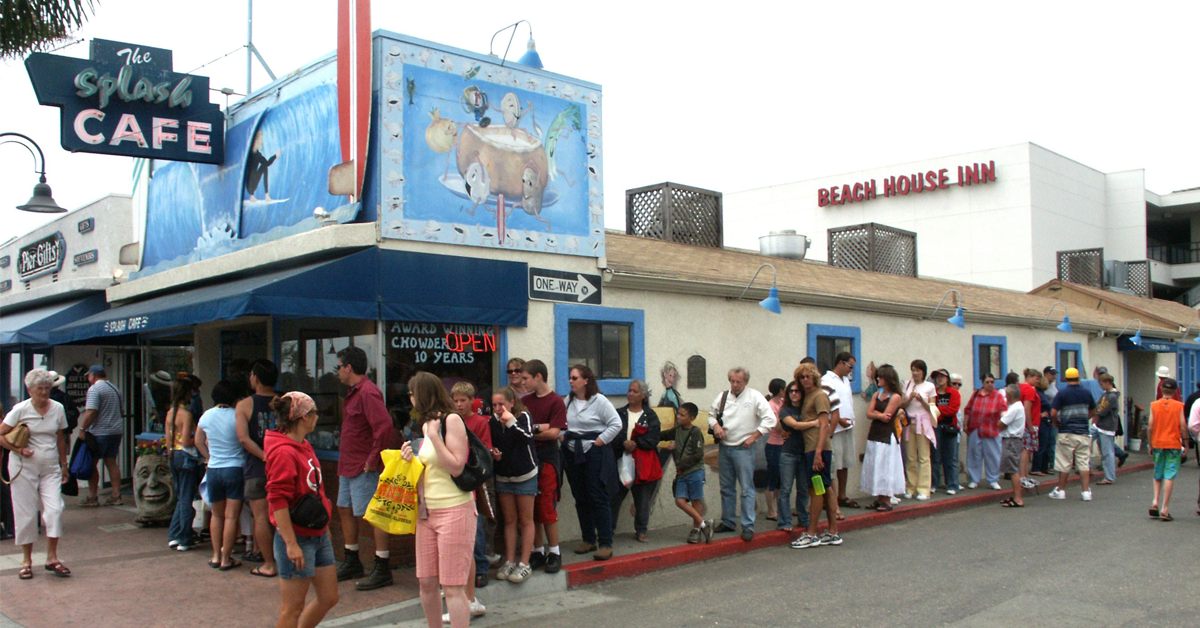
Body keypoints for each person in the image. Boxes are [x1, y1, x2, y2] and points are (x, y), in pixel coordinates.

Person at [400, 372, 475, 628]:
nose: (409, 398)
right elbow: (428, 469)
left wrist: (433, 437)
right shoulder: (424, 424)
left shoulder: (451, 421)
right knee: (426, 582)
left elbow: (456, 466)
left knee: (453, 586)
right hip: (427, 511)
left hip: (454, 509)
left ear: (423, 394)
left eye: (412, 393)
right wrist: (410, 459)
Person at [265, 392, 338, 628]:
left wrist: (323, 526)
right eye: (314, 412)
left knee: (329, 597)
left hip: (316, 532)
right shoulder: (284, 452)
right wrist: (290, 543)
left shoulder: (303, 445)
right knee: (293, 607)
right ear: (304, 417)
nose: (318, 417)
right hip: (297, 536)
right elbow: (277, 500)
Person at [333, 346, 395, 591]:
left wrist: (372, 459)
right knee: (345, 509)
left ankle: (382, 565)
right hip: (347, 464)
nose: (337, 371)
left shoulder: (368, 392)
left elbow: (384, 426)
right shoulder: (352, 393)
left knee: (373, 515)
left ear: (349, 367)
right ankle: (352, 559)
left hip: (363, 466)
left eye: (339, 366)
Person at [1, 369, 70, 580]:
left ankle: (52, 557)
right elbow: (1, 435)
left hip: (50, 466)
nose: (44, 392)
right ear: (29, 390)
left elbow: (60, 436)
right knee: (26, 513)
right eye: (39, 388)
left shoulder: (57, 408)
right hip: (23, 466)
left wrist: (64, 464)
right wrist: (19, 450)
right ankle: (26, 560)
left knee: (55, 509)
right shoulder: (20, 409)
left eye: (47, 388)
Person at [709, 367, 776, 542]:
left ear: (745, 382)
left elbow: (770, 419)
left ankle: (747, 525)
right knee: (726, 487)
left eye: (738, 381)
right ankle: (728, 521)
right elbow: (711, 416)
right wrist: (715, 426)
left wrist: (754, 437)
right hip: (725, 447)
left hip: (744, 449)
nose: (735, 384)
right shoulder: (723, 396)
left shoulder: (754, 397)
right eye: (732, 381)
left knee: (746, 489)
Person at [563, 365, 623, 560]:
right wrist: (563, 438)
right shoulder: (568, 401)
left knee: (597, 495)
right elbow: (561, 423)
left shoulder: (599, 401)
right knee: (580, 497)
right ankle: (588, 539)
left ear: (586, 380)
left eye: (575, 378)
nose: (571, 381)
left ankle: (606, 543)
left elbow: (616, 424)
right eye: (570, 378)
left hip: (594, 452)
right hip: (573, 452)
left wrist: (599, 441)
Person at [519, 359, 567, 574]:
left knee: (547, 506)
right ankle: (538, 551)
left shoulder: (556, 401)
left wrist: (533, 429)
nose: (523, 383)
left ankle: (554, 552)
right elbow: (520, 426)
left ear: (538, 376)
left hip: (547, 460)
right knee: (532, 507)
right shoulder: (525, 401)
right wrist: (540, 429)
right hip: (528, 460)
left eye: (526, 378)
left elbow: (555, 433)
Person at [788, 363, 841, 548]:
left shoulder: (819, 396)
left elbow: (824, 424)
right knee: (825, 488)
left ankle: (812, 532)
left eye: (808, 376)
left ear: (814, 377)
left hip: (818, 449)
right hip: (811, 448)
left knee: (817, 488)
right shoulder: (808, 396)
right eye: (801, 377)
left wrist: (818, 453)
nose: (805, 380)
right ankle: (833, 531)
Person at [196, 379, 246, 570]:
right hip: (235, 468)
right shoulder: (237, 416)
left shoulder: (206, 416)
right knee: (232, 517)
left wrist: (209, 458)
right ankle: (227, 558)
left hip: (214, 470)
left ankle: (216, 556)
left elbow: (198, 441)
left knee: (217, 516)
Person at [490, 386, 538, 584]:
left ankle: (524, 563)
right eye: (494, 405)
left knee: (525, 520)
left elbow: (527, 438)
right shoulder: (492, 421)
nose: (498, 408)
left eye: (501, 404)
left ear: (511, 402)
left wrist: (510, 421)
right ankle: (509, 560)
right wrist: (493, 451)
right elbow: (489, 441)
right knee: (509, 520)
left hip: (525, 474)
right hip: (504, 475)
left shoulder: (523, 417)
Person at [451, 382, 494, 599]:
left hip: (475, 480)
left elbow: (484, 450)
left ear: (471, 401)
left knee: (477, 528)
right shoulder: (449, 421)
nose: (459, 405)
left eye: (463, 400)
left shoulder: (478, 423)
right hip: (455, 481)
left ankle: (482, 567)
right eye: (455, 400)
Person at [236, 359, 279, 577]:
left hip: (256, 469)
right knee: (283, 515)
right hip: (283, 466)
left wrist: (264, 457)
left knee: (260, 517)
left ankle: (269, 564)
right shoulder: (285, 401)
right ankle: (287, 558)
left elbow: (243, 439)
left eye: (251, 374)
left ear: (257, 378)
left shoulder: (244, 405)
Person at [612, 379, 662, 542]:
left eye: (635, 391)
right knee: (614, 497)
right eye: (629, 390)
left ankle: (641, 530)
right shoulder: (619, 413)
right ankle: (609, 529)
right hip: (622, 461)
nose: (631, 394)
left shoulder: (650, 416)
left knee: (642, 499)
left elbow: (654, 438)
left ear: (643, 395)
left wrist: (636, 443)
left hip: (643, 464)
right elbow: (613, 432)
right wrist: (623, 443)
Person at [660, 402, 711, 543]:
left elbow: (698, 455)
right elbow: (662, 435)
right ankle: (703, 523)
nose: (678, 417)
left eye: (683, 415)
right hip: (682, 473)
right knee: (680, 501)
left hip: (694, 471)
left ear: (692, 418)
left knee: (695, 499)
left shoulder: (695, 433)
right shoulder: (677, 431)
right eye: (678, 413)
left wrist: (683, 465)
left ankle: (696, 530)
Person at [860, 364, 905, 512]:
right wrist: (879, 415)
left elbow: (888, 417)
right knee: (875, 465)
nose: (878, 379)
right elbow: (869, 413)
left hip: (887, 435)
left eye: (881, 377)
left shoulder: (896, 397)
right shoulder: (877, 394)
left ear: (888, 379)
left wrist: (877, 415)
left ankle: (887, 499)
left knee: (886, 466)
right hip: (875, 434)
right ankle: (879, 498)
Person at [164, 374, 202, 551]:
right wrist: (201, 441)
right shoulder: (186, 415)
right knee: (187, 498)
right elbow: (186, 440)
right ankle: (185, 537)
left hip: (173, 455)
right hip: (186, 456)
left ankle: (175, 534)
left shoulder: (170, 414)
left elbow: (168, 439)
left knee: (181, 496)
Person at [1048, 368, 1097, 502]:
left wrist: (1057, 422)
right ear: (1078, 378)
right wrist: (1083, 418)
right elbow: (1093, 411)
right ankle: (1086, 492)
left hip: (1066, 431)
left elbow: (1053, 413)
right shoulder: (1087, 393)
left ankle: (1061, 490)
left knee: (1064, 462)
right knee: (1083, 462)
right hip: (1083, 432)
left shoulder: (1062, 394)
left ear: (1066, 379)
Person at [78, 364, 123, 507]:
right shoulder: (115, 388)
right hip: (116, 431)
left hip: (99, 432)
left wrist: (82, 429)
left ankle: (92, 496)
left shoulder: (94, 389)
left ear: (93, 375)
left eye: (89, 376)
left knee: (91, 463)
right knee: (111, 462)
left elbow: (91, 411)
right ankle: (116, 495)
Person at [822, 354, 859, 514]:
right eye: (850, 367)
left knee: (845, 463)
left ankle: (842, 496)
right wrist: (835, 420)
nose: (851, 371)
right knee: (834, 464)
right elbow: (825, 404)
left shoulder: (845, 380)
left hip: (847, 426)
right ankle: (832, 500)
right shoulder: (827, 380)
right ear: (841, 363)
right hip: (835, 428)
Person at [1147, 378, 1187, 521]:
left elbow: (1150, 426)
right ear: (1175, 391)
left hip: (1158, 443)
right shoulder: (1179, 406)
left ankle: (1155, 501)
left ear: (1162, 389)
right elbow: (1183, 426)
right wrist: (1186, 442)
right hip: (1173, 444)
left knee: (1158, 473)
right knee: (1169, 474)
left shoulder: (1154, 405)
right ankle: (1165, 508)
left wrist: (1150, 443)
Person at [776, 382, 810, 531]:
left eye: (797, 391)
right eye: (791, 391)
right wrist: (815, 422)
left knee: (803, 489)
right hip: (789, 453)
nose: (794, 394)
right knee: (786, 489)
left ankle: (803, 519)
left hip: (804, 453)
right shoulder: (785, 410)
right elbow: (795, 425)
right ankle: (784, 522)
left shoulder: (807, 409)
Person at [964, 374, 1006, 490]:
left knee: (993, 456)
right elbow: (968, 409)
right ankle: (974, 479)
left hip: (991, 429)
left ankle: (993, 480)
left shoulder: (998, 396)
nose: (990, 384)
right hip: (975, 428)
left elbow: (1003, 408)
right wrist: (965, 423)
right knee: (974, 455)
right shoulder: (976, 394)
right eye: (987, 382)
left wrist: (1003, 419)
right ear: (982, 383)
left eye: (992, 382)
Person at [903, 360, 937, 500]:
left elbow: (933, 407)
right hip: (909, 422)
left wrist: (921, 400)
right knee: (910, 457)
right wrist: (910, 398)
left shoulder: (929, 386)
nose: (915, 373)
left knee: (924, 457)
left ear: (923, 372)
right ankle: (911, 487)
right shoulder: (907, 385)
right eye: (913, 370)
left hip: (923, 423)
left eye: (918, 370)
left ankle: (924, 489)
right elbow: (903, 404)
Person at [931, 369, 961, 495]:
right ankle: (934, 484)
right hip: (936, 426)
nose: (940, 379)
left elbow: (953, 409)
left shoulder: (954, 393)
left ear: (947, 378)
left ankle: (953, 485)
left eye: (942, 377)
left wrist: (938, 411)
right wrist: (939, 411)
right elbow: (931, 409)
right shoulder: (934, 394)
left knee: (951, 458)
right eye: (937, 377)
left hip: (950, 427)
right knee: (935, 457)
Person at [998, 385, 1027, 507]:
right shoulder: (1015, 407)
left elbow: (1001, 424)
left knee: (1013, 470)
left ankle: (1018, 498)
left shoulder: (1015, 408)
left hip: (1011, 440)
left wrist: (1000, 417)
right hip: (1012, 440)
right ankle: (1015, 495)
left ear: (1010, 396)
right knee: (1011, 469)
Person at [762, 378, 786, 523]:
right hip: (773, 444)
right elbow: (777, 425)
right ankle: (771, 510)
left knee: (780, 479)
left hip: (783, 444)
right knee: (772, 477)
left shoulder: (782, 403)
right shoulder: (770, 405)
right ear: (780, 390)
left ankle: (779, 507)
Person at [1092, 374, 1121, 486]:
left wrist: (1096, 409)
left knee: (1107, 452)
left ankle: (1109, 476)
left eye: (1102, 383)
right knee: (1086, 439)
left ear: (1108, 382)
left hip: (1106, 427)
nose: (1100, 386)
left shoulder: (1112, 396)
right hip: (1099, 425)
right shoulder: (1106, 394)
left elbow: (1101, 410)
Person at [1018, 369, 1043, 490]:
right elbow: (1027, 408)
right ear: (1029, 377)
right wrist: (1030, 425)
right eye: (1036, 378)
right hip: (1030, 423)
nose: (1038, 381)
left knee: (1027, 450)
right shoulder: (1029, 390)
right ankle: (1022, 476)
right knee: (1026, 450)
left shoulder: (1021, 388)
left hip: (1026, 424)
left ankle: (1026, 475)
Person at [1032, 367, 1058, 475]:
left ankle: (1045, 466)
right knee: (1041, 445)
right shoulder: (1039, 394)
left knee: (1048, 444)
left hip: (1049, 420)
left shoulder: (1050, 390)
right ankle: (1037, 468)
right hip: (1043, 421)